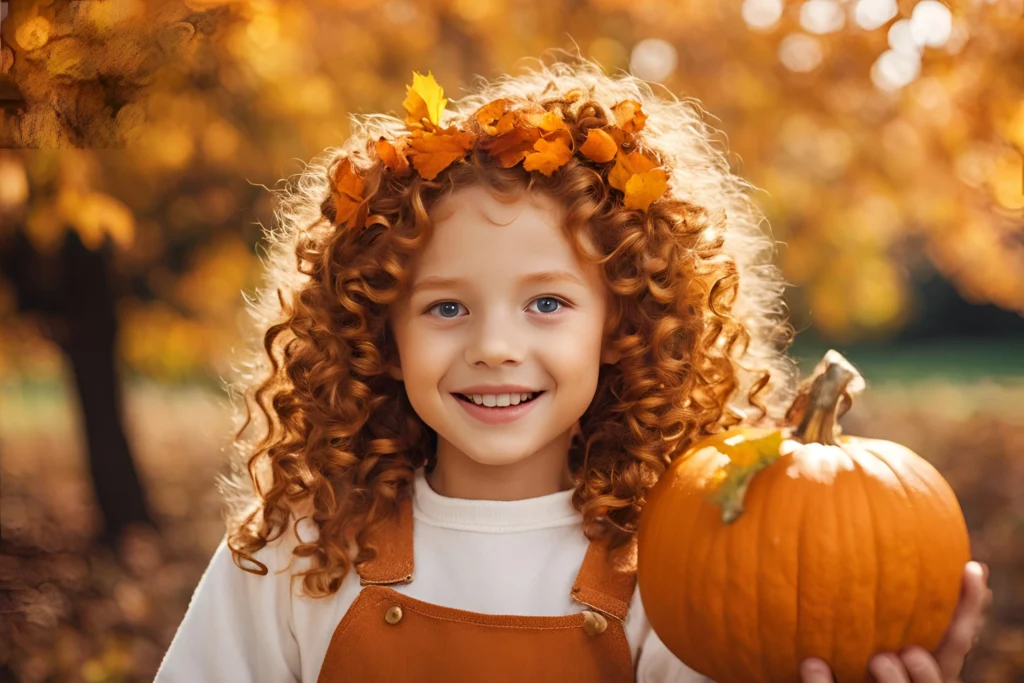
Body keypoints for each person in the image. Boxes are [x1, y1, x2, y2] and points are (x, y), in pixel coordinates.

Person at [154, 58, 991, 682]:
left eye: (547, 303)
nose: (494, 345)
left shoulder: (678, 570)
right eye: (446, 307)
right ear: (382, 333)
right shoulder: (301, 554)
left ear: (622, 327)